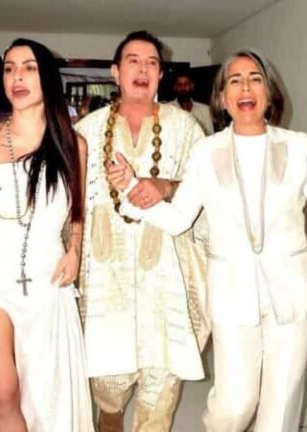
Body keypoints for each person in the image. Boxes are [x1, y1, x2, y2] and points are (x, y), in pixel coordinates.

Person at [114, 49, 307, 432]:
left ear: (269, 93)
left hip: (291, 292)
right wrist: (132, 189)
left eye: (255, 79)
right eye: (235, 81)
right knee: (234, 405)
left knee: (281, 408)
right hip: (232, 295)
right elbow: (179, 219)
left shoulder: (299, 147)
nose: (246, 88)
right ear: (222, 98)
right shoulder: (206, 152)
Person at [0, 38, 93, 431]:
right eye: (9, 68)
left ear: (47, 78)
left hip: (47, 280)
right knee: (4, 393)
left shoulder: (73, 145)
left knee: (42, 394)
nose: (17, 77)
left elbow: (76, 211)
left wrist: (75, 251)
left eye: (29, 68)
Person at [74, 30, 209, 432]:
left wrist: (165, 186)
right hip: (104, 271)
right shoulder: (87, 130)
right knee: (107, 380)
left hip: (167, 268)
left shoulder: (185, 127)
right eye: (133, 60)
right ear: (115, 72)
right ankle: (109, 415)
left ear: (161, 75)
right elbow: (70, 200)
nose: (143, 69)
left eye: (152, 62)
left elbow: (206, 189)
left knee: (162, 380)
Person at [167, 71, 215, 135]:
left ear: (192, 86)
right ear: (175, 87)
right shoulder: (168, 109)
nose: (183, 88)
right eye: (179, 85)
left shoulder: (205, 110)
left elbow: (210, 136)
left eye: (186, 84)